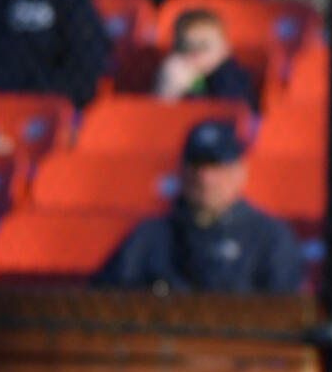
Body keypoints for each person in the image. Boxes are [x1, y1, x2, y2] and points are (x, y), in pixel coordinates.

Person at [94, 120, 303, 294]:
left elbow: (287, 313)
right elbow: (102, 301)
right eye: (196, 165)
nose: (204, 178)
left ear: (240, 172)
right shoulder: (150, 236)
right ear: (181, 170)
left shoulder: (269, 237)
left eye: (216, 166)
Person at [154, 8, 256, 110]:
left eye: (204, 45)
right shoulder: (173, 73)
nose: (196, 53)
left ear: (224, 49)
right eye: (185, 47)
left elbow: (230, 110)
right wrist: (169, 90)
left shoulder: (231, 76)